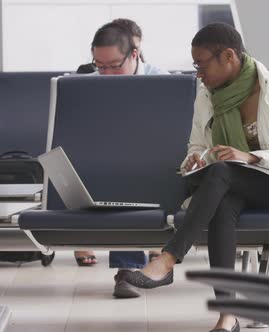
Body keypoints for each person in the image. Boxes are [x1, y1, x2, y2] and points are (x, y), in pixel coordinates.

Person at [122, 23, 269, 332]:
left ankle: (168, 258)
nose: (198, 73)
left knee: (222, 173)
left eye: (201, 64)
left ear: (229, 56)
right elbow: (197, 144)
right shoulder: (207, 97)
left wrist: (251, 157)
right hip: (228, 184)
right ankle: (227, 315)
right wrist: (196, 158)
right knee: (223, 201)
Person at [75, 21, 169, 299]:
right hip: (106, 168)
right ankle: (128, 272)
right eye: (99, 65)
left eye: (114, 65)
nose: (105, 74)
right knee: (116, 175)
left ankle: (130, 272)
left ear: (134, 55)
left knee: (127, 177)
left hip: (156, 166)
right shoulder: (83, 86)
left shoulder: (162, 82)